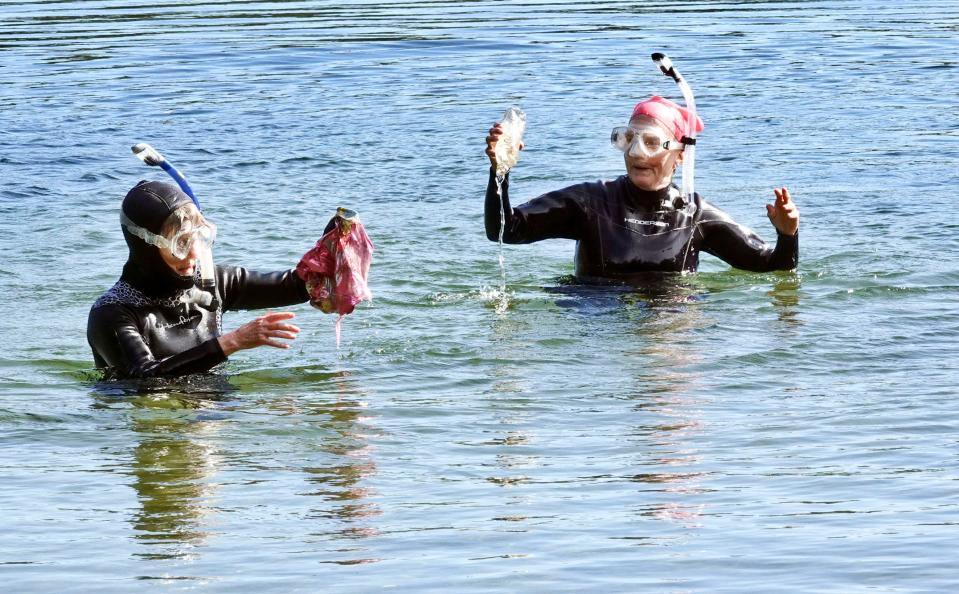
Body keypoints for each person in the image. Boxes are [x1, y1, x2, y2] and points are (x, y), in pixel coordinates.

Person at [484, 96, 799, 282]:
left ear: (679, 156)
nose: (636, 153)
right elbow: (505, 229)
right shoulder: (590, 203)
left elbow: (775, 268)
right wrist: (500, 174)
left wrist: (787, 236)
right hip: (594, 324)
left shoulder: (696, 218)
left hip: (668, 323)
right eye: (629, 140)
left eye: (651, 143)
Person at [88, 180, 310, 379]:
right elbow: (146, 378)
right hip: (157, 419)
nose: (194, 254)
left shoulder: (211, 283)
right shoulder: (112, 313)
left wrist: (331, 248)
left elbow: (297, 286)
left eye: (199, 239)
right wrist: (232, 342)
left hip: (219, 411)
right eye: (180, 243)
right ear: (147, 248)